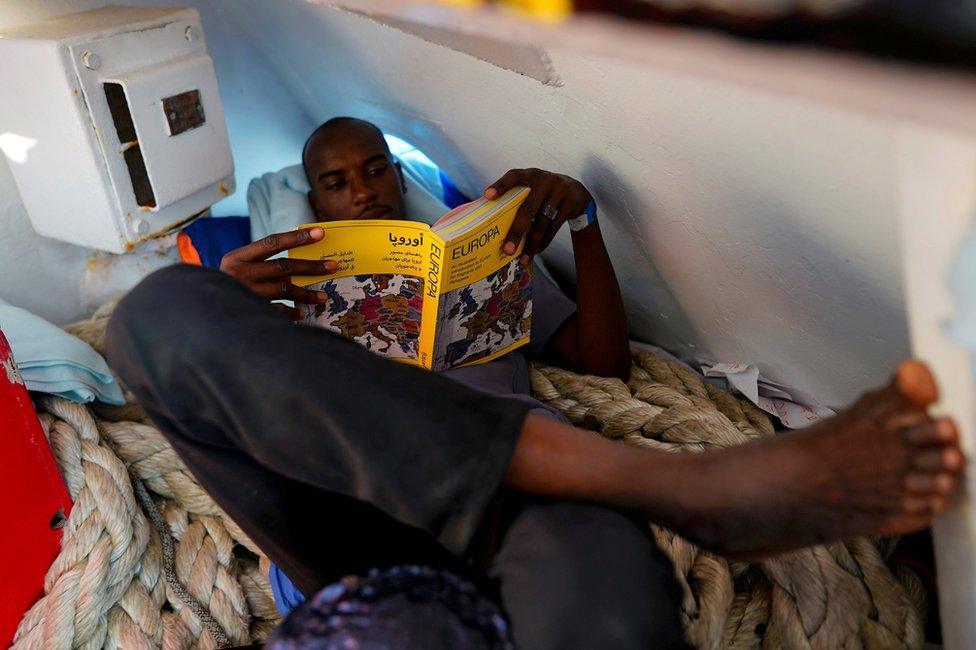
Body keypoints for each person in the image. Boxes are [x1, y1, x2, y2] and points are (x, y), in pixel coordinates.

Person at [105, 118, 965, 649]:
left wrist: (584, 225)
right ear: (316, 201)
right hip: (348, 520)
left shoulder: (476, 251)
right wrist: (232, 297)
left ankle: (654, 493)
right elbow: (190, 403)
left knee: (606, 602)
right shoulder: (283, 287)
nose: (364, 190)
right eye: (337, 180)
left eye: (375, 168)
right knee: (161, 309)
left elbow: (602, 365)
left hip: (524, 505)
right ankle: (677, 487)